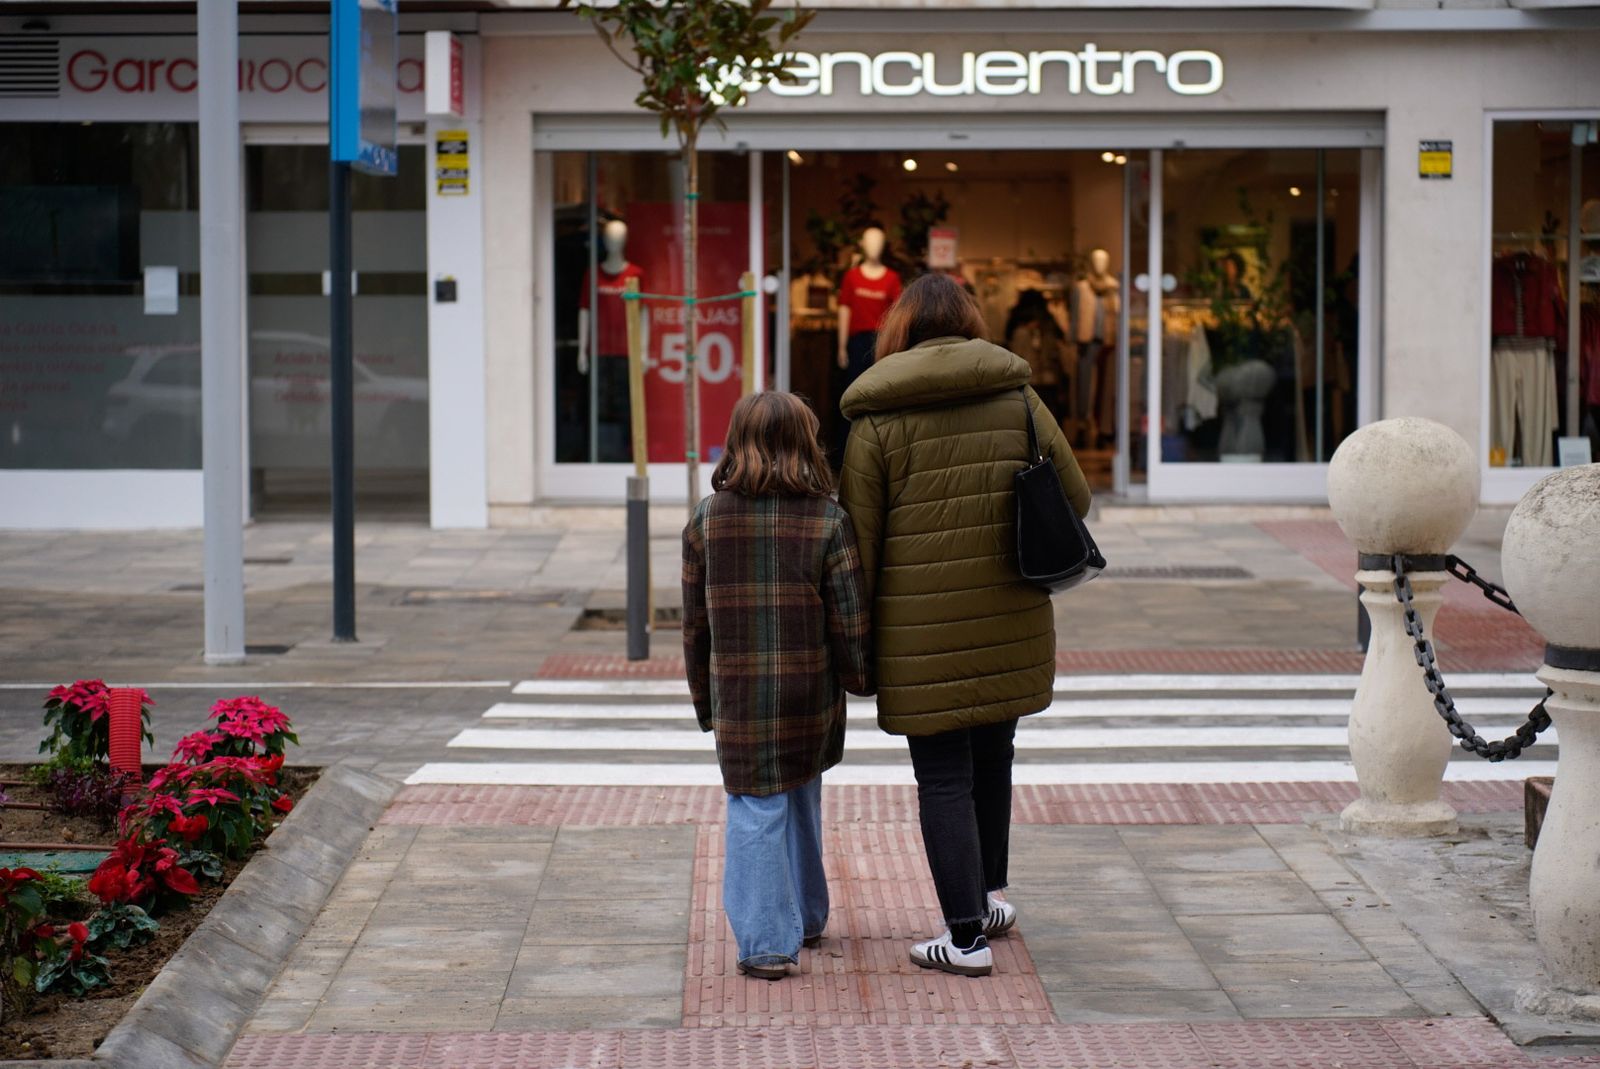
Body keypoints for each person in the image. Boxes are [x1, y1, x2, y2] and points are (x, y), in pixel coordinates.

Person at [838, 273, 1091, 978]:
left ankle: (965, 938)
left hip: (917, 631)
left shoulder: (875, 419)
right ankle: (987, 898)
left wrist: (856, 641)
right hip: (1010, 614)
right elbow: (1075, 496)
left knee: (943, 774)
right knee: (995, 754)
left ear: (898, 329)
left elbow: (859, 545)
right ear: (971, 322)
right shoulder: (1017, 396)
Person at [682, 391, 874, 981]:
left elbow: (695, 626)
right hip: (807, 689)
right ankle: (808, 915)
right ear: (806, 444)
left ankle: (766, 941)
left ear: (736, 441)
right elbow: (849, 617)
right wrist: (859, 678)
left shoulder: (707, 521)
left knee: (754, 806)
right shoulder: (828, 519)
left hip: (741, 693)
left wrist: (705, 702)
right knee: (802, 793)